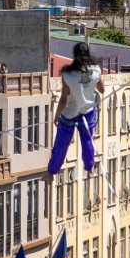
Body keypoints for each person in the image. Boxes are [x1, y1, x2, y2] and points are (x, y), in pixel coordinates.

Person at [46, 42, 104, 181]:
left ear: (74, 55)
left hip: (70, 114)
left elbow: (63, 99)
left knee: (61, 143)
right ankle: (90, 169)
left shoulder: (68, 74)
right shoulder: (96, 70)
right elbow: (102, 90)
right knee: (88, 141)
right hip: (88, 112)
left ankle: (51, 173)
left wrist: (56, 116)